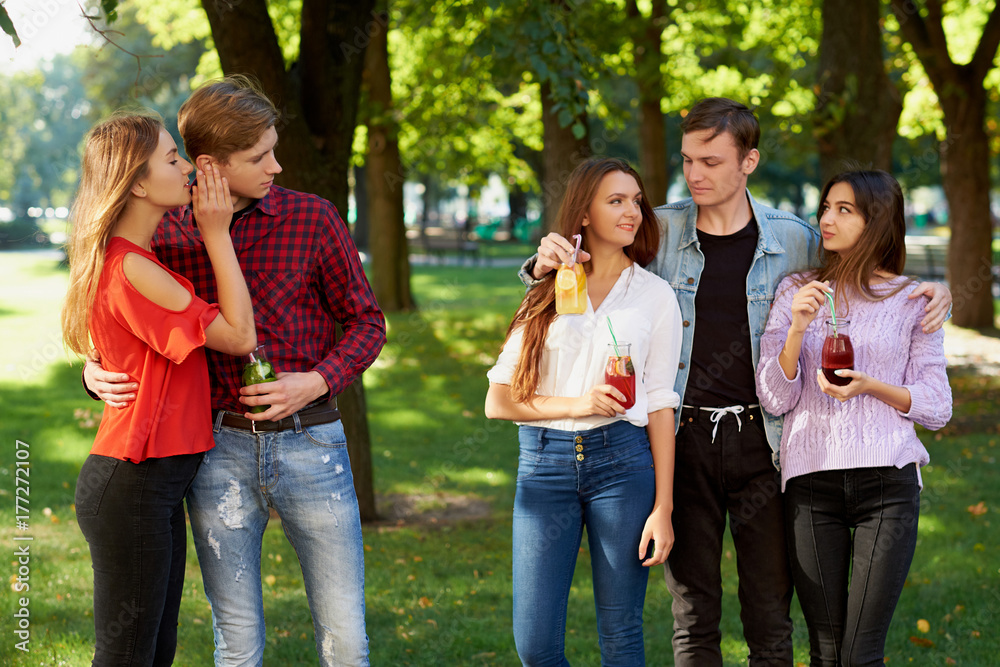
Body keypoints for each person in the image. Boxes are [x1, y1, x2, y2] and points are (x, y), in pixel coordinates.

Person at [520, 98, 953, 665]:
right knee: (693, 611)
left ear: (749, 162)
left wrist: (933, 291)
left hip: (765, 441)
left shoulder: (795, 238)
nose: (695, 174)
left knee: (769, 612)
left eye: (711, 161)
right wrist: (541, 265)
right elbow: (589, 272)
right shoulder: (659, 229)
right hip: (682, 438)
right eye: (687, 160)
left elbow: (860, 274)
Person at [83, 77, 386, 666]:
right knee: (236, 637)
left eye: (274, 148)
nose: (277, 164)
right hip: (216, 448)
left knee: (345, 636)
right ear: (209, 164)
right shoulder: (165, 228)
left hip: (312, 442)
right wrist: (95, 369)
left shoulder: (313, 219)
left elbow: (368, 324)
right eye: (259, 156)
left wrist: (316, 381)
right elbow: (121, 312)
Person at [62, 112, 256, 665]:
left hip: (151, 484)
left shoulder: (133, 261)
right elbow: (241, 336)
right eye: (173, 159)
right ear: (139, 182)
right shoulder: (135, 269)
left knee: (152, 650)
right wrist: (217, 234)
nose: (189, 167)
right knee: (129, 655)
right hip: (136, 482)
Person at [487, 157, 683, 665]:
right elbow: (499, 400)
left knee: (621, 634)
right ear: (584, 214)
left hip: (623, 463)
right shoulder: (547, 288)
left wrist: (663, 507)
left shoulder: (656, 296)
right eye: (615, 201)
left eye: (636, 200)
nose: (632, 211)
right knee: (534, 643)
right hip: (544, 465)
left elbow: (661, 403)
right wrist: (580, 403)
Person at [755, 169, 951, 666]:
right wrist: (798, 329)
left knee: (860, 654)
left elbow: (937, 404)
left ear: (877, 221)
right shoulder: (796, 291)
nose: (827, 218)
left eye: (845, 210)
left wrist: (871, 387)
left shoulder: (914, 300)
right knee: (825, 652)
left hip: (887, 483)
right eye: (826, 207)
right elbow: (775, 397)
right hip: (810, 485)